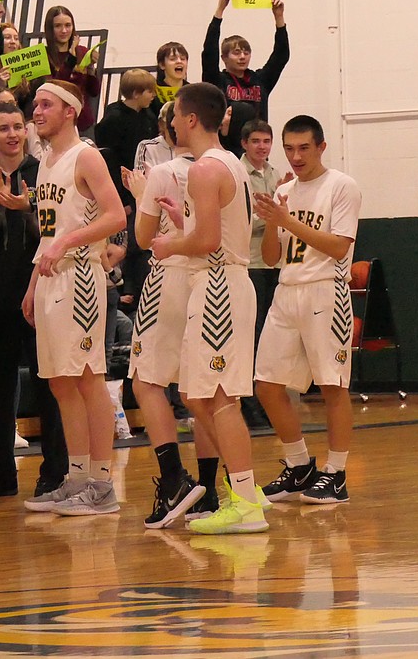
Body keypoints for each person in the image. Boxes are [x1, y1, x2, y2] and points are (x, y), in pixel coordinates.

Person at [149, 82, 264, 534]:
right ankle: (247, 493)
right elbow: (216, 228)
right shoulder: (228, 163)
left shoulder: (203, 170)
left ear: (191, 118)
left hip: (219, 284)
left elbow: (207, 242)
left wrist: (168, 243)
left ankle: (246, 503)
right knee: (197, 395)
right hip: (220, 282)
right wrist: (184, 223)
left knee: (218, 399)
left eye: (176, 114)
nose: (172, 122)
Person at [21, 80, 126, 516]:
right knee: (61, 382)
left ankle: (102, 484)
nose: (37, 111)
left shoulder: (87, 156)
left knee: (86, 378)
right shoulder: (46, 159)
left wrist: (68, 244)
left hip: (81, 277)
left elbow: (116, 215)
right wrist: (31, 285)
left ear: (69, 111)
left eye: (45, 104)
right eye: (36, 105)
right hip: (51, 279)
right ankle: (78, 476)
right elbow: (50, 231)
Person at [119, 101, 225, 528]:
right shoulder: (223, 166)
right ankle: (213, 489)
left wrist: (139, 194)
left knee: (147, 382)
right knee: (199, 388)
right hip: (208, 281)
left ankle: (172, 480)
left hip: (168, 279)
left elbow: (143, 239)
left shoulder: (162, 173)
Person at [252, 115, 362, 505]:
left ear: (321, 147)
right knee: (265, 383)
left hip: (325, 291)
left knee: (333, 385)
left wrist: (288, 221)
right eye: (289, 148)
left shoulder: (341, 186)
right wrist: (270, 222)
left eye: (303, 148)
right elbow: (269, 259)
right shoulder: (285, 191)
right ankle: (299, 466)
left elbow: (338, 247)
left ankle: (336, 473)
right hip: (287, 290)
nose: (295, 156)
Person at [0, 101, 69, 498]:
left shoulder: (43, 174)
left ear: (25, 132)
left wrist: (25, 207)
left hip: (42, 289)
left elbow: (56, 227)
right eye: (2, 128)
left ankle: (55, 470)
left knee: (48, 383)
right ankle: (3, 471)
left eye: (16, 127)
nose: (11, 134)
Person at [201, 0, 289, 154]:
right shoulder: (217, 81)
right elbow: (208, 54)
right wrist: (219, 11)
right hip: (227, 151)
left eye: (246, 52)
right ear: (224, 58)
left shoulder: (260, 80)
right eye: (236, 53)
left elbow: (281, 56)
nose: (242, 57)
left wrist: (279, 18)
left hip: (257, 151)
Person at [241, 119, 284, 430]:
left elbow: (278, 216)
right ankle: (249, 403)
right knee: (251, 335)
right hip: (250, 262)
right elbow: (243, 218)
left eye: (266, 141)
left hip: (274, 262)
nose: (262, 147)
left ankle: (268, 402)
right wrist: (271, 216)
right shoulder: (239, 174)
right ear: (244, 144)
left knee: (271, 335)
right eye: (256, 141)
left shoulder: (274, 174)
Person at [95, 68, 159, 208]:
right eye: (149, 91)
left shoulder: (149, 116)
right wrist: (122, 199)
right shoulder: (114, 119)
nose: (154, 95)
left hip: (143, 182)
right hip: (121, 186)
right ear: (136, 94)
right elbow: (109, 159)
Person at [41, 6, 101, 135]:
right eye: (58, 26)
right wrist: (71, 59)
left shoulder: (83, 51)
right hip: (56, 123)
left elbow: (94, 91)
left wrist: (91, 68)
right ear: (50, 29)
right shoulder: (43, 56)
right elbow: (57, 88)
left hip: (82, 122)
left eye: (68, 25)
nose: (64, 30)